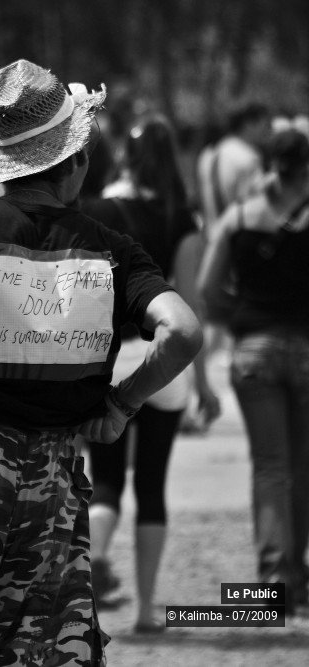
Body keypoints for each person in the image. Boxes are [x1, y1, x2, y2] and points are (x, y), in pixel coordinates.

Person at [0, 59, 203, 665]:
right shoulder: (111, 250)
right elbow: (182, 331)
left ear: (5, 163)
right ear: (75, 163)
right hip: (52, 482)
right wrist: (122, 403)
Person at [81, 116, 221, 632]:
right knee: (153, 487)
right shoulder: (180, 218)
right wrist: (202, 382)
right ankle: (145, 611)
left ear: (125, 156)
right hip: (164, 363)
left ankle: (93, 566)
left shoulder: (97, 211)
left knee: (106, 481)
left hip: (109, 357)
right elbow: (190, 303)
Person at [198, 129, 309, 615]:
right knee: (302, 467)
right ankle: (298, 578)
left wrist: (241, 315)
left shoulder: (240, 217)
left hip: (253, 352)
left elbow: (207, 287)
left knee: (270, 466)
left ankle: (273, 583)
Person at [196, 101, 272, 233]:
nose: (268, 131)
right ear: (248, 124)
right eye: (265, 125)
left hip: (210, 235)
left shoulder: (207, 154)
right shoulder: (248, 157)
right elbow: (254, 209)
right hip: (237, 238)